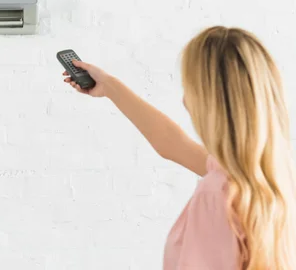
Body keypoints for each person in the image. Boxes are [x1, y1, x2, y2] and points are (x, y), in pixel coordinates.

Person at [63, 26, 296, 269]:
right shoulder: (273, 175)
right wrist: (110, 86)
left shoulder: (217, 194)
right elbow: (172, 144)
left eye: (190, 87)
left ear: (211, 100)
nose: (184, 101)